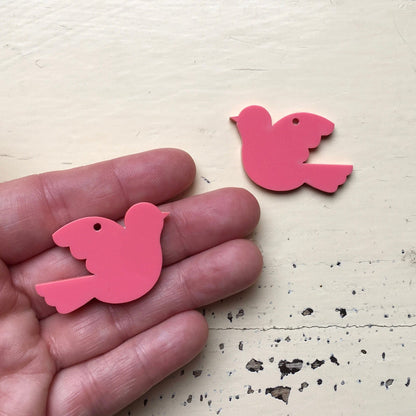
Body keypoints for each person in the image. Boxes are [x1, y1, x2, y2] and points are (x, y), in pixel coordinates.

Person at [0, 148, 262, 415]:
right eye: (153, 219)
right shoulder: (116, 236)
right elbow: (90, 232)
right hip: (107, 288)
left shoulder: (144, 246)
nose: (160, 221)